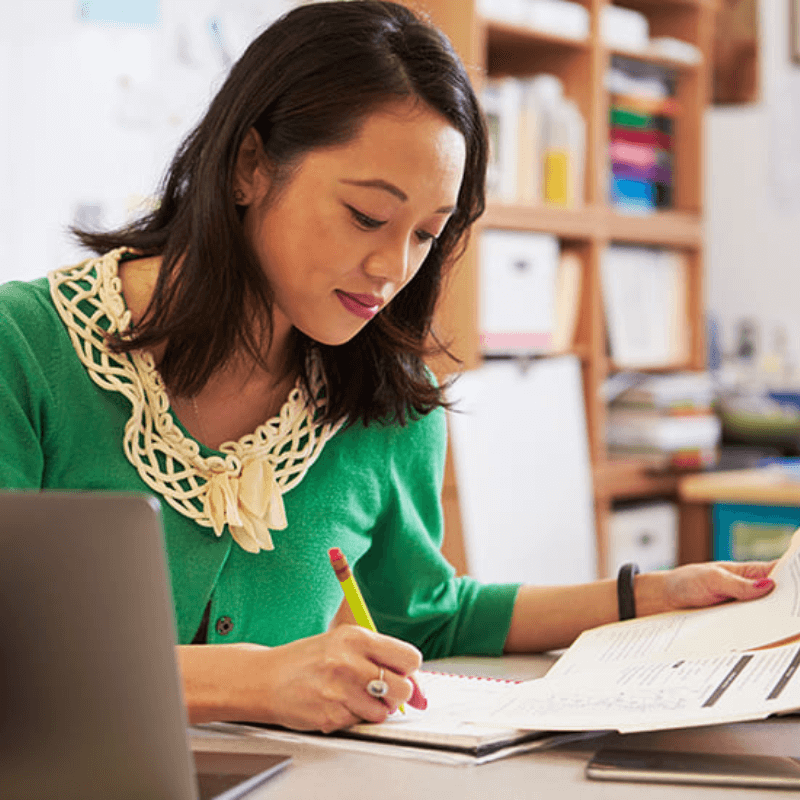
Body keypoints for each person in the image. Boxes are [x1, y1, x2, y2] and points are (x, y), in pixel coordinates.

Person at [0, 0, 775, 734]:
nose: (390, 267)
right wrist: (254, 682)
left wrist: (645, 597)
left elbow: (423, 613)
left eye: (426, 234)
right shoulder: (25, 350)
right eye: (367, 216)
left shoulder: (385, 401)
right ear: (248, 166)